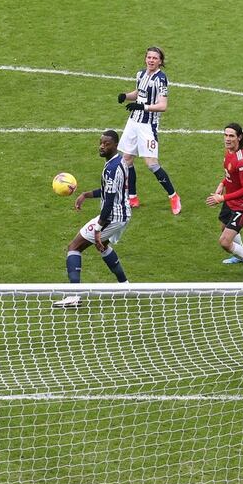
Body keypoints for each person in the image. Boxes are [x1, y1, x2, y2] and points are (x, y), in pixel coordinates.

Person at [54, 130, 130, 308]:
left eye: (107, 144)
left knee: (74, 247)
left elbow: (109, 201)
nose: (102, 146)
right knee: (103, 247)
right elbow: (110, 191)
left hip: (112, 216)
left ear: (115, 145)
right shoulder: (119, 163)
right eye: (101, 143)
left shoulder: (111, 169)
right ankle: (125, 285)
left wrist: (97, 229)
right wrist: (86, 194)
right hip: (122, 214)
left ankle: (74, 296)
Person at [116, 46, 180, 214]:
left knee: (151, 164)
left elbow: (163, 106)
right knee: (127, 159)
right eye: (149, 57)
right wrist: (126, 96)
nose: (151, 60)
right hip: (133, 122)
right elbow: (139, 92)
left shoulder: (161, 79)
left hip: (147, 126)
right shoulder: (141, 74)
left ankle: (173, 196)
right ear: (146, 59)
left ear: (160, 61)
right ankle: (133, 198)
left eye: (155, 58)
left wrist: (142, 107)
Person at [206, 123, 243, 280]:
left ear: (239, 137)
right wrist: (222, 183)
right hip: (231, 200)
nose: (227, 139)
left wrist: (222, 198)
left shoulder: (242, 160)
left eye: (231, 136)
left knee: (224, 241)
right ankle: (239, 253)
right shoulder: (229, 152)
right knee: (224, 228)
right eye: (225, 135)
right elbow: (230, 174)